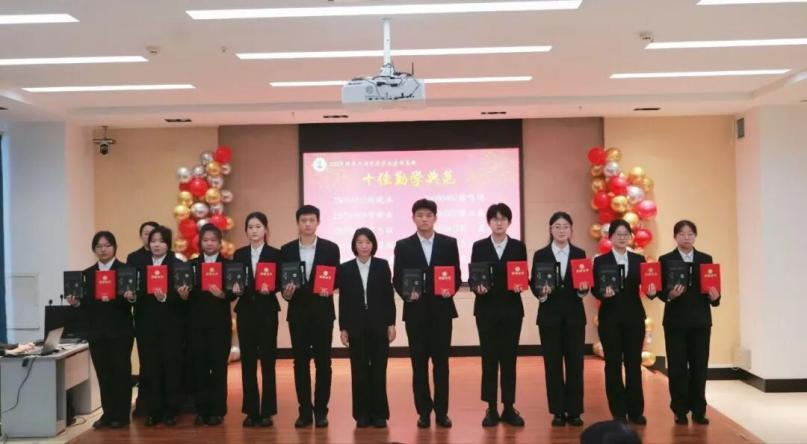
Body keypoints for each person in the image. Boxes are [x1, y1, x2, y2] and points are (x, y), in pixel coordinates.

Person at [392, 198, 461, 429]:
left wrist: (450, 289)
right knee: (419, 365)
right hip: (416, 313)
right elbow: (397, 278)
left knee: (442, 365)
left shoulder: (449, 243)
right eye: (420, 215)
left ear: (435, 218)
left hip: (442, 312)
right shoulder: (403, 245)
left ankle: (442, 412)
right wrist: (406, 294)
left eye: (428, 215)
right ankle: (423, 412)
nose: (424, 219)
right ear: (413, 218)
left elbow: (456, 276)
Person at [280, 205, 341, 428]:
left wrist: (331, 287)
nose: (307, 224)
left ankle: (321, 411)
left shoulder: (331, 248)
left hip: (323, 314)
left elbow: (336, 278)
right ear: (297, 223)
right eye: (303, 220)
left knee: (324, 363)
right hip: (298, 315)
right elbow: (283, 284)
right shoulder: (286, 250)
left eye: (311, 220)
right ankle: (304, 411)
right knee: (300, 364)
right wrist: (286, 294)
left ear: (318, 222)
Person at [66, 231, 134, 428]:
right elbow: (85, 305)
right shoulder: (87, 274)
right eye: (99, 246)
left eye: (107, 245)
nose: (103, 249)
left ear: (114, 247)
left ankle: (121, 416)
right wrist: (76, 303)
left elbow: (131, 302)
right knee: (103, 373)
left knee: (121, 372)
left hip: (120, 331)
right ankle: (108, 414)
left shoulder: (126, 270)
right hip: (97, 331)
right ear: (94, 249)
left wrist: (130, 297)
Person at [655, 220, 720, 425]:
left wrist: (715, 297)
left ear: (695, 236)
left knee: (699, 367)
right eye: (682, 234)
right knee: (677, 367)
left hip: (700, 322)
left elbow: (713, 293)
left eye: (690, 234)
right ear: (675, 237)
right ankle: (679, 409)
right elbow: (659, 291)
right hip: (675, 322)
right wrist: (670, 295)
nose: (686, 237)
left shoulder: (705, 259)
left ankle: (699, 410)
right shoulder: (666, 260)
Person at [470, 203, 527, 427]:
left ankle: (509, 407)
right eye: (495, 219)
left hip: (512, 310)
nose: (499, 222)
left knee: (509, 359)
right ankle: (491, 408)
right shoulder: (479, 246)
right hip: (486, 311)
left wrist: (521, 284)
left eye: (503, 218)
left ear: (509, 222)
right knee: (489, 359)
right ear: (489, 222)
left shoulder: (518, 246)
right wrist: (477, 288)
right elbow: (474, 277)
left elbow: (522, 274)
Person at [530, 211, 589, 427]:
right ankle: (557, 411)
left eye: (565, 226)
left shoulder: (579, 253)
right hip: (549, 318)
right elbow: (534, 283)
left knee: (575, 365)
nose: (561, 230)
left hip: (574, 318)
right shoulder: (541, 254)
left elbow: (584, 284)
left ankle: (574, 411)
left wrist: (583, 290)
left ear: (571, 230)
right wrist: (541, 293)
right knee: (552, 365)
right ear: (550, 230)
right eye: (557, 226)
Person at [337, 228, 396, 428]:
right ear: (354, 245)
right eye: (360, 242)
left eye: (368, 242)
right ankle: (361, 414)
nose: (364, 246)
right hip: (355, 326)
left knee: (379, 371)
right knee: (359, 371)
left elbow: (388, 297)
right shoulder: (345, 268)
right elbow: (343, 300)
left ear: (373, 245)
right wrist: (343, 328)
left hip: (379, 324)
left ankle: (380, 414)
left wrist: (391, 323)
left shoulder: (382, 265)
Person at [592, 220, 647, 425]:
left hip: (634, 318)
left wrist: (652, 290)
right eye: (618, 234)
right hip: (610, 319)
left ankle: (636, 411)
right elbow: (594, 288)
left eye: (625, 234)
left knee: (634, 364)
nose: (622, 237)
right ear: (610, 237)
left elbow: (649, 285)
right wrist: (602, 294)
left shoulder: (639, 259)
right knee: (613, 364)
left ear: (630, 237)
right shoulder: (600, 261)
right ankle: (618, 411)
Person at [186, 223, 239, 426]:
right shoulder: (191, 265)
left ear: (219, 242)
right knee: (199, 368)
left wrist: (223, 294)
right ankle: (201, 410)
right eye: (206, 240)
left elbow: (233, 293)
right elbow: (185, 294)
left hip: (220, 324)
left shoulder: (228, 265)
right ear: (200, 242)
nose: (209, 243)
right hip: (196, 324)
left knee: (218, 368)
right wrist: (183, 294)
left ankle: (217, 411)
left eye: (213, 240)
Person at [232, 212, 282, 427]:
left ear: (266, 230)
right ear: (246, 231)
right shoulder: (239, 254)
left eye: (258, 226)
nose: (254, 230)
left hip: (267, 311)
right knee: (248, 363)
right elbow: (234, 280)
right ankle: (251, 411)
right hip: (245, 312)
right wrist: (234, 289)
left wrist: (272, 288)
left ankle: (268, 411)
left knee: (268, 363)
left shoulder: (275, 254)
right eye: (250, 227)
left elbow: (281, 281)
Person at [135, 226, 185, 426]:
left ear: (168, 244)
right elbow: (135, 290)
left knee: (170, 367)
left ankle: (171, 410)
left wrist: (165, 297)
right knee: (151, 367)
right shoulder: (141, 265)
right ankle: (154, 411)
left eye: (161, 241)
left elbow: (183, 296)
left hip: (171, 325)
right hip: (146, 324)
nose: (156, 245)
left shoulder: (177, 264)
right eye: (153, 241)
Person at [126, 220, 159, 417]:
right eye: (146, 234)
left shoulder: (167, 258)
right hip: (143, 315)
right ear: (141, 236)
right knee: (146, 361)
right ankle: (144, 404)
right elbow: (130, 284)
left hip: (165, 317)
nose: (150, 238)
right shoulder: (134, 258)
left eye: (154, 234)